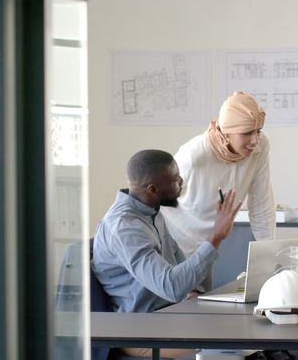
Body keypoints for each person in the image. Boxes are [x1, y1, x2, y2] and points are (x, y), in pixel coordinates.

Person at [93, 149, 242, 315]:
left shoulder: (150, 211)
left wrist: (193, 291)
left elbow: (177, 260)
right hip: (141, 325)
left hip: (168, 312)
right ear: (153, 189)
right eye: (176, 179)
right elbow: (171, 287)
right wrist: (216, 236)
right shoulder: (125, 228)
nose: (181, 182)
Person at [161, 91, 276, 260]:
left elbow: (261, 203)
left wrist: (269, 256)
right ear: (226, 131)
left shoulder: (260, 146)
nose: (255, 141)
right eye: (247, 133)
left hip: (209, 246)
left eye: (258, 131)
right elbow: (157, 200)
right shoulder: (194, 155)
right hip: (175, 245)